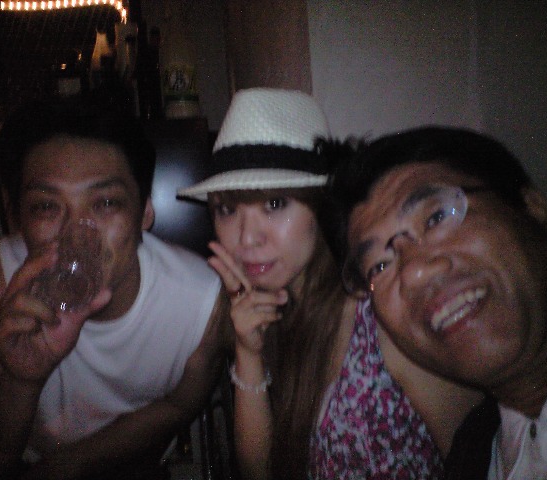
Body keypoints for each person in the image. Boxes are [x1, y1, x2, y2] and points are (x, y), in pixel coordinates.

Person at [178, 88, 484, 480]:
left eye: (275, 204)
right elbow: (261, 472)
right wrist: (248, 354)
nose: (247, 238)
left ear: (320, 206)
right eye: (227, 209)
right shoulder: (274, 314)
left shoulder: (383, 314)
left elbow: (482, 460)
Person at [0, 92, 228, 479]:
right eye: (47, 206)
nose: (77, 236)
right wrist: (21, 380)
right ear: (18, 221)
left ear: (145, 212)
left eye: (106, 203)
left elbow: (180, 405)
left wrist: (65, 467)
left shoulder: (201, 300)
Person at [325, 125, 547, 479]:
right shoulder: (470, 455)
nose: (414, 273)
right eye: (379, 265)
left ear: (536, 211)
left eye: (436, 217)